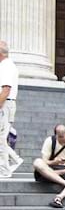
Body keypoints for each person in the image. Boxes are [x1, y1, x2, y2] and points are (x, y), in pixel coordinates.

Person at [0, 40, 22, 177]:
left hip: (5, 104)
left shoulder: (6, 66)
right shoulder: (6, 65)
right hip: (6, 104)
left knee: (1, 138)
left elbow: (6, 89)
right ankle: (15, 159)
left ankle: (4, 170)